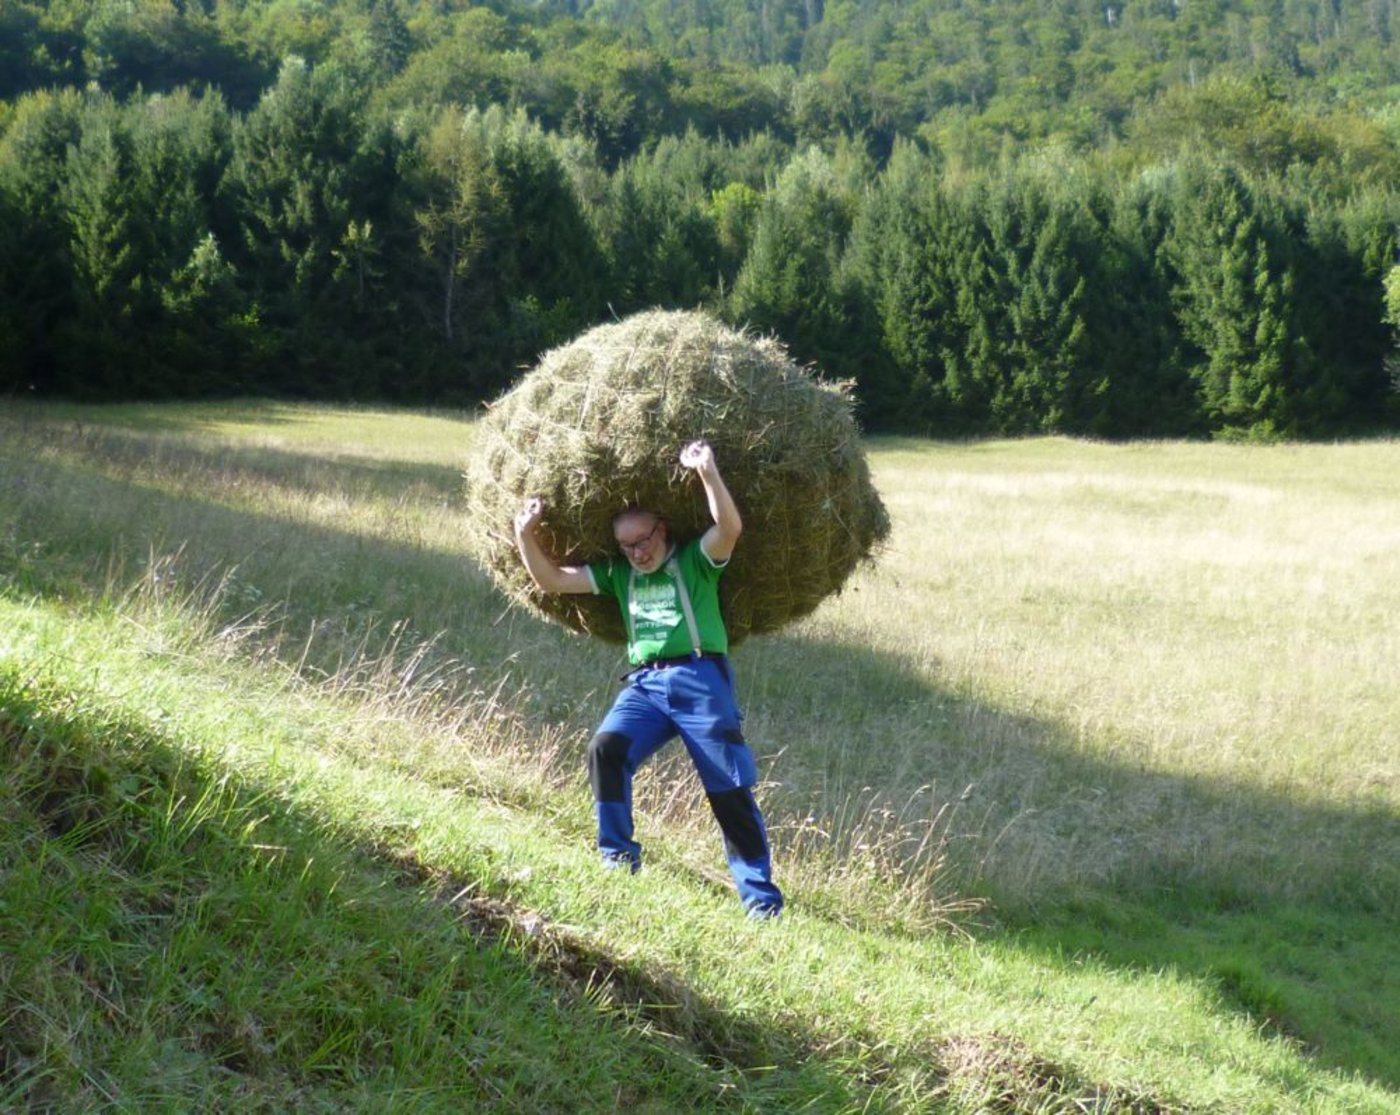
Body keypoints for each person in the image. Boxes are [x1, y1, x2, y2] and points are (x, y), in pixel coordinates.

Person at [513, 440, 784, 919]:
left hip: (700, 679)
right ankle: (616, 860)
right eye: (627, 546)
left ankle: (761, 903)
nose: (637, 553)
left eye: (644, 541)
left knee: (728, 787)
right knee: (606, 750)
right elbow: (551, 580)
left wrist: (707, 472)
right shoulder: (620, 574)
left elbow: (730, 528)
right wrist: (524, 535)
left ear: (663, 530)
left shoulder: (695, 561)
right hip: (646, 686)